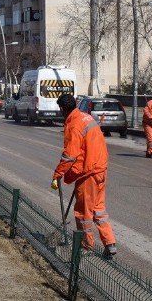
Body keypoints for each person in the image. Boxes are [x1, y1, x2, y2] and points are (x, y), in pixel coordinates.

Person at [51, 94, 117, 257]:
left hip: (89, 173)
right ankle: (110, 243)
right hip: (100, 169)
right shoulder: (86, 117)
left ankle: (87, 245)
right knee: (98, 209)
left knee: (82, 212)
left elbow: (70, 155)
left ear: (62, 109)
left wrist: (58, 174)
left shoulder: (74, 125)